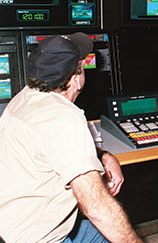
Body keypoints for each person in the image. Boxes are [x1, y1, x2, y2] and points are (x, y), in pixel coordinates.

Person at [0, 33, 142, 243]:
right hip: (37, 238)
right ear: (76, 80)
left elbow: (51, 148)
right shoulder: (65, 117)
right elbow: (96, 207)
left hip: (10, 228)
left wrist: (103, 156)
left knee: (99, 232)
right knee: (113, 227)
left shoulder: (24, 98)